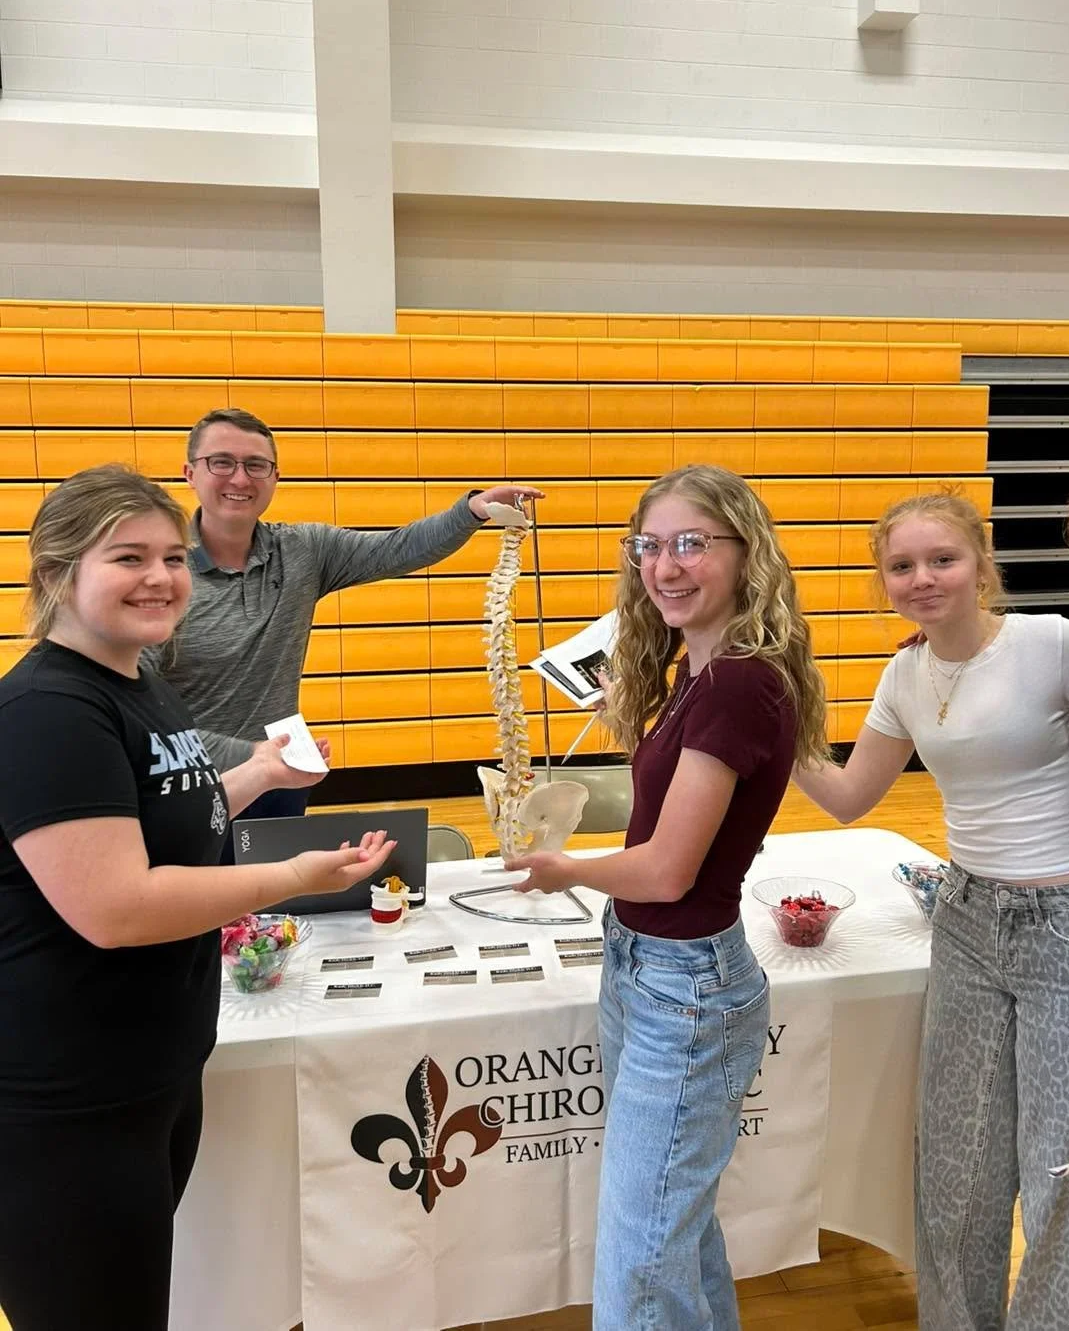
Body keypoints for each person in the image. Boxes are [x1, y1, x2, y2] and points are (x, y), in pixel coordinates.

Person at [0, 466, 397, 1331]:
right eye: (128, 557)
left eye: (174, 557)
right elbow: (118, 906)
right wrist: (292, 876)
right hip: (70, 1097)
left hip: (152, 1068)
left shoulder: (136, 678)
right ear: (57, 572)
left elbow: (175, 810)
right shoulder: (46, 709)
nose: (161, 577)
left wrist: (255, 774)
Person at [505, 464, 829, 1329]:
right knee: (672, 1235)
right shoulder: (702, 670)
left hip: (683, 987)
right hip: (647, 967)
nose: (665, 565)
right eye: (650, 546)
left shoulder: (735, 683)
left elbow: (665, 873)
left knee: (640, 1266)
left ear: (745, 553)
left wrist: (561, 867)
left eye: (692, 543)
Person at [792, 490, 1069, 1331]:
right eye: (901, 566)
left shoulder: (1052, 645)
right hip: (964, 922)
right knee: (957, 1165)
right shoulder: (906, 673)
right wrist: (775, 725)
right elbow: (850, 797)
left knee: (1058, 1169)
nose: (922, 579)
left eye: (942, 560)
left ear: (981, 567)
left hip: (1063, 927)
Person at [145, 407, 542, 853]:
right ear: (189, 473)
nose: (240, 479)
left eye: (256, 465)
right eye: (221, 462)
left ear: (274, 477)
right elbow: (140, 715)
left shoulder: (303, 551)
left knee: (271, 917)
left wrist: (470, 511)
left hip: (282, 779)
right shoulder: (160, 572)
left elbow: (397, 549)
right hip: (188, 781)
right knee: (192, 914)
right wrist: (253, 757)